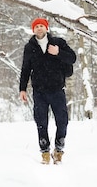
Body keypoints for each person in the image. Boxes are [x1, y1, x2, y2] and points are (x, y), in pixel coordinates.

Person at [19, 17, 76, 164]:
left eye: (41, 26)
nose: (39, 28)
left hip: (57, 89)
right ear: (33, 30)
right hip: (39, 91)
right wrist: (22, 89)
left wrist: (58, 52)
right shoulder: (29, 47)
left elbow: (72, 58)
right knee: (41, 122)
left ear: (46, 28)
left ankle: (58, 149)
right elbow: (25, 69)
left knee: (62, 122)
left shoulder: (58, 43)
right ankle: (44, 153)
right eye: (36, 26)